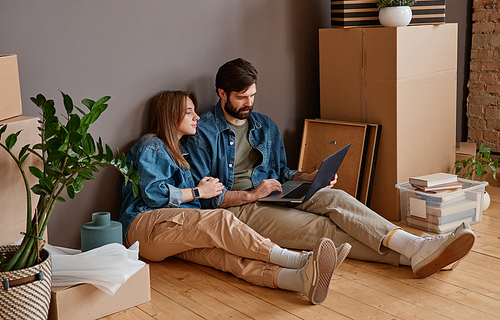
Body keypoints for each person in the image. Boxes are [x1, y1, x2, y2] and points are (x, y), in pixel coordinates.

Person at [184, 58, 476, 279]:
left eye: (253, 95)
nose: (249, 103)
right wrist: (252, 195)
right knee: (322, 228)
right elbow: (207, 199)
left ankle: (415, 245)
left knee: (337, 199)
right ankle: (413, 255)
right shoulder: (204, 133)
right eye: (241, 97)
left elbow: (282, 171)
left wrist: (307, 178)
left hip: (275, 192)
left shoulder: (264, 125)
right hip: (239, 209)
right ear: (222, 94)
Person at [120, 90, 352, 305]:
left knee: (226, 256)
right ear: (170, 116)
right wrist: (200, 191)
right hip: (144, 225)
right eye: (189, 112)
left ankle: (298, 280)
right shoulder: (152, 145)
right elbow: (153, 195)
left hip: (174, 230)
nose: (197, 117)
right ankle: (300, 260)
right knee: (220, 219)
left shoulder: (184, 153)